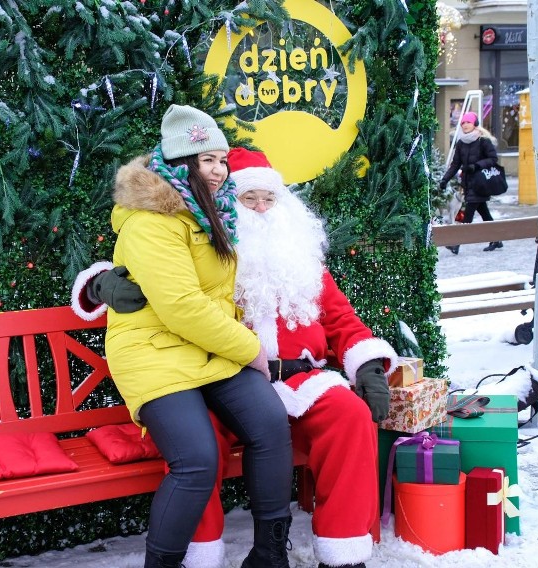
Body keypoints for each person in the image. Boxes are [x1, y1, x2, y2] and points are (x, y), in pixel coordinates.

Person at [74, 148, 399, 568]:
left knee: (350, 417)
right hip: (224, 375)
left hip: (303, 383)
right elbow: (159, 270)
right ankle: (200, 555)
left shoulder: (300, 259)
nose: (262, 209)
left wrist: (368, 364)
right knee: (198, 443)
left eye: (270, 199)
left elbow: (340, 317)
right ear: (229, 201)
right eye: (250, 200)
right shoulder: (209, 245)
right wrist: (100, 284)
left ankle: (343, 553)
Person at [73, 106, 295, 568]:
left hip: (208, 346)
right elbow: (181, 308)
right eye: (205, 160)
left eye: (221, 159)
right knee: (197, 460)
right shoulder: (150, 220)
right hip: (155, 351)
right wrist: (251, 348)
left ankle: (270, 555)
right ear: (180, 164)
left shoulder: (212, 211)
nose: (218, 170)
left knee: (270, 425)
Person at [439, 111, 503, 254]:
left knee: (467, 215)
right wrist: (445, 179)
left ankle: (456, 244)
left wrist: (476, 166)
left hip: (481, 184)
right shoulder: (461, 143)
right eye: (463, 123)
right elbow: (455, 164)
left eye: (468, 122)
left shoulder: (483, 141)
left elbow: (493, 159)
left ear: (475, 124)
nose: (465, 125)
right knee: (485, 214)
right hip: (468, 184)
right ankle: (497, 239)